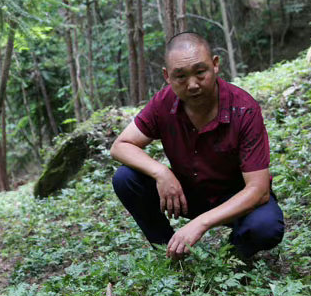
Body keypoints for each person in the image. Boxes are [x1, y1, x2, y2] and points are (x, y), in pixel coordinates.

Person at [110, 32, 284, 260]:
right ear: (167, 76)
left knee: (266, 226)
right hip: (187, 194)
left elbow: (258, 191)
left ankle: (231, 257)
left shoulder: (243, 109)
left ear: (215, 65)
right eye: (181, 76)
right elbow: (120, 145)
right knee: (125, 179)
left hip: (234, 198)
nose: (192, 85)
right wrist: (161, 173)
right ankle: (170, 251)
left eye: (200, 72)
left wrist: (201, 223)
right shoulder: (164, 102)